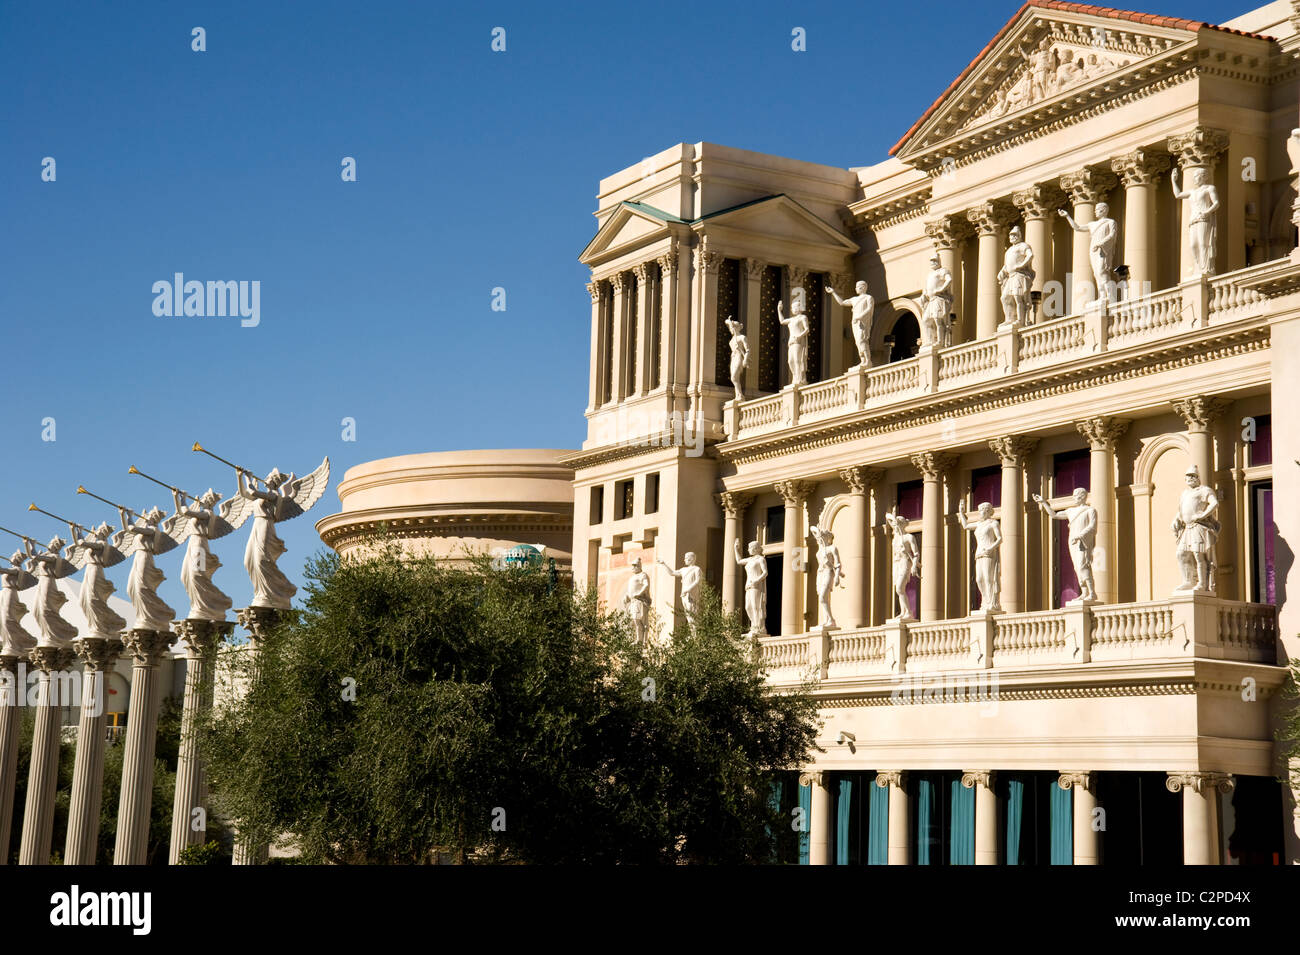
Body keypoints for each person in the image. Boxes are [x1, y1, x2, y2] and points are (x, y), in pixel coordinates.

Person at [1033, 488, 1098, 603]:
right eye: (1073, 495)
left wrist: (1080, 535)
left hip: (1083, 541)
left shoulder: (1090, 510)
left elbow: (1092, 526)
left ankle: (1092, 593)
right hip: (1072, 541)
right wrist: (1043, 502)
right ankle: (1084, 592)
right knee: (1077, 567)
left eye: (1076, 495)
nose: (1074, 498)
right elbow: (1054, 515)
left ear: (1083, 496)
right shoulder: (1071, 511)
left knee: (1083, 566)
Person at [1172, 465, 1219, 593]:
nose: (1190, 478)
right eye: (1188, 476)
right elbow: (1181, 509)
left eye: (1193, 476)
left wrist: (1202, 515)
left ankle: (1202, 584)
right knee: (1181, 553)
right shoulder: (1185, 493)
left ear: (1198, 478)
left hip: (1199, 527)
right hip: (1187, 528)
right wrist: (1176, 519)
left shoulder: (1204, 490)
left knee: (1199, 555)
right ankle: (1188, 581)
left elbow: (1214, 503)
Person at [1059, 202, 1118, 304]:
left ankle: (1110, 296)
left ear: (1104, 210)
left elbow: (1112, 235)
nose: (1095, 211)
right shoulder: (1092, 224)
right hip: (1093, 250)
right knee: (1096, 273)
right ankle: (1102, 296)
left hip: (1103, 249)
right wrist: (1067, 216)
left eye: (1097, 209)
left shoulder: (1110, 222)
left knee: (1102, 271)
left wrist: (1101, 243)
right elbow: (1077, 227)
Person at [1171, 166, 1220, 277]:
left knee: (1203, 243)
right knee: (1193, 245)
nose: (1194, 179)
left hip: (1203, 218)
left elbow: (1216, 203)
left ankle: (1206, 269)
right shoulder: (1192, 192)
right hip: (1193, 219)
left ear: (1203, 177)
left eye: (1196, 176)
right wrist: (1173, 181)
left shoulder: (1210, 188)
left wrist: (1207, 212)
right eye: (1194, 177)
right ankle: (1198, 268)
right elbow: (1177, 195)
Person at [957, 502, 1002, 613]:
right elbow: (965, 526)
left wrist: (991, 548)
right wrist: (961, 513)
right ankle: (985, 601)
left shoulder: (993, 523)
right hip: (979, 554)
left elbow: (1000, 538)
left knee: (988, 578)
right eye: (979, 510)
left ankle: (992, 604)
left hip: (988, 553)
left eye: (981, 510)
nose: (980, 512)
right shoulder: (978, 524)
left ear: (987, 511)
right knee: (979, 579)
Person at [827, 280, 874, 367]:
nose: (856, 289)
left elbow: (869, 309)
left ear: (863, 287)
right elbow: (842, 302)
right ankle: (863, 361)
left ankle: (868, 361)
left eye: (858, 287)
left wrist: (860, 316)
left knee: (862, 340)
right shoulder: (854, 299)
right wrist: (833, 292)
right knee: (857, 342)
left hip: (863, 322)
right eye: (856, 287)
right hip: (855, 322)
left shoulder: (868, 298)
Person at [884, 512, 920, 621]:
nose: (896, 526)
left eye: (898, 524)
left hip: (905, 561)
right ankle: (904, 612)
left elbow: (916, 554)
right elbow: (888, 517)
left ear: (902, 524)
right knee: (898, 589)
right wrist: (892, 518)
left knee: (900, 587)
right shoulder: (896, 537)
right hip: (897, 563)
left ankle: (909, 612)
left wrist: (914, 566)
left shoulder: (909, 537)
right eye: (895, 524)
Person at [998, 224, 1035, 327]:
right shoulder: (1008, 251)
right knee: (1005, 297)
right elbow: (1007, 265)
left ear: (1019, 236)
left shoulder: (1023, 246)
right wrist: (1002, 271)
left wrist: (1022, 265)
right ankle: (1009, 319)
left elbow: (1030, 255)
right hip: (1010, 276)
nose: (1013, 237)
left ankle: (1020, 320)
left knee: (1018, 297)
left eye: (1015, 235)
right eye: (1011, 235)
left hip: (1019, 274)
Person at [808, 525, 843, 630]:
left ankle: (831, 620)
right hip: (820, 574)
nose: (820, 539)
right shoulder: (820, 550)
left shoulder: (832, 548)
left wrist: (837, 576)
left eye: (822, 536)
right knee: (824, 598)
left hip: (828, 572)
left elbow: (837, 564)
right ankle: (826, 620)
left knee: (822, 597)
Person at [734, 539, 768, 637]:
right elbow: (739, 561)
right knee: (748, 607)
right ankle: (753, 626)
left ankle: (758, 628)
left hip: (756, 586)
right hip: (748, 586)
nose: (748, 550)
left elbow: (765, 572)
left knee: (755, 606)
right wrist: (735, 549)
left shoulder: (761, 559)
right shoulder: (750, 560)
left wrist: (756, 581)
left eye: (750, 548)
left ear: (756, 549)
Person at [659, 552, 702, 627]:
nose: (684, 560)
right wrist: (663, 564)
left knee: (693, 615)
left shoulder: (696, 569)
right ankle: (693, 634)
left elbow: (698, 581)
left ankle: (695, 636)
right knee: (688, 616)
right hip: (684, 595)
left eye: (686, 558)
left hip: (692, 595)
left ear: (691, 559)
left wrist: (688, 589)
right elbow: (672, 573)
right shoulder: (683, 570)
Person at [777, 288, 810, 386]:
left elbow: (807, 329)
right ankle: (795, 378)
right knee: (790, 361)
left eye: (794, 307)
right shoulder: (791, 319)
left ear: (799, 308)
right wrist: (779, 310)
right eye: (792, 308)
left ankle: (799, 380)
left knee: (797, 359)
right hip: (791, 342)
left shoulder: (803, 317)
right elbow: (782, 321)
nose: (793, 309)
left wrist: (799, 336)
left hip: (798, 342)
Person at [920, 253, 953, 347]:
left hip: (939, 298)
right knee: (926, 320)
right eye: (931, 260)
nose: (933, 262)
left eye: (934, 260)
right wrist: (924, 295)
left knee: (938, 320)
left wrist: (940, 289)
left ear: (939, 261)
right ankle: (930, 341)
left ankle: (940, 342)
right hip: (930, 300)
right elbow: (926, 288)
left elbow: (949, 280)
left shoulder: (943, 271)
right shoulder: (930, 274)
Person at [622, 557, 651, 643]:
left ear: (639, 566)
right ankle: (636, 639)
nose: (633, 567)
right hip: (633, 601)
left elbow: (646, 585)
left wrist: (639, 593)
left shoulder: (643, 575)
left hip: (639, 601)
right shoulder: (632, 578)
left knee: (638, 620)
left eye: (635, 566)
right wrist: (627, 596)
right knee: (633, 620)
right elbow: (631, 590)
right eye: (633, 566)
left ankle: (640, 640)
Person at [724, 316, 749, 403]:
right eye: (731, 328)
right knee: (734, 378)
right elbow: (726, 321)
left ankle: (740, 395)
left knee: (734, 377)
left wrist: (745, 359)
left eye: (732, 327)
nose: (731, 329)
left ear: (737, 328)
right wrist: (729, 322)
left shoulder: (742, 337)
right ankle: (738, 395)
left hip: (739, 357)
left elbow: (748, 350)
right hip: (733, 357)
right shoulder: (731, 340)